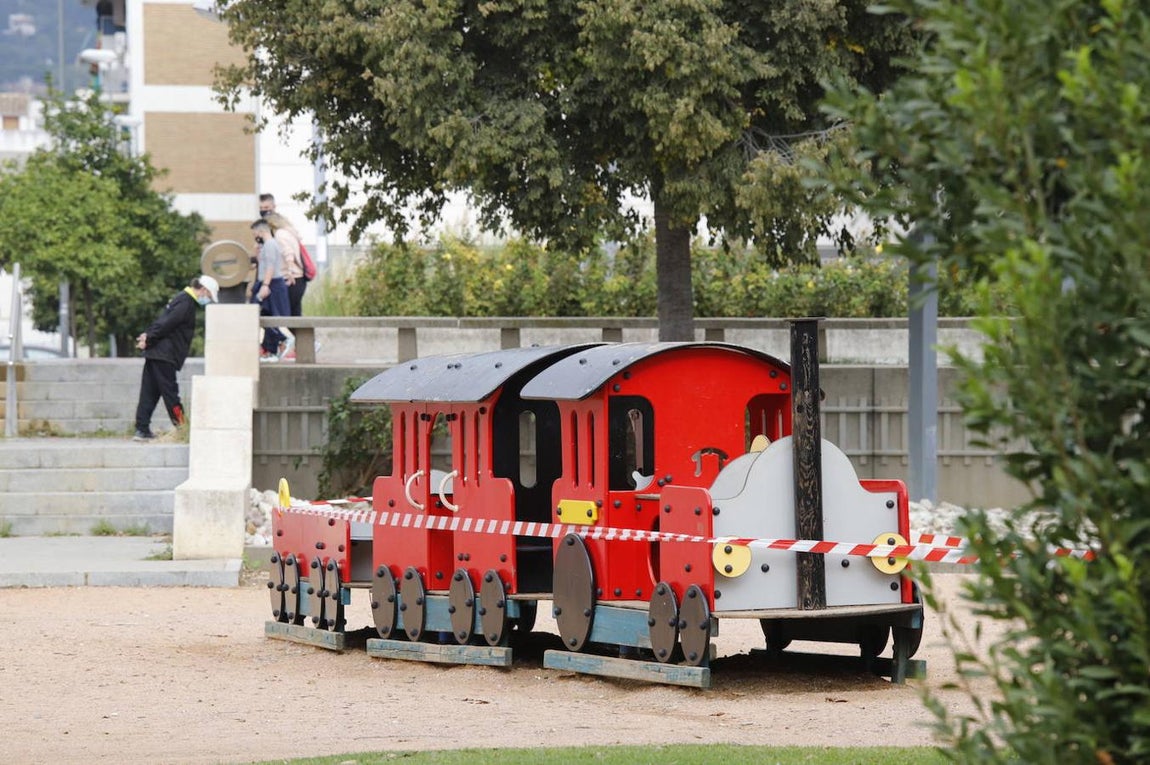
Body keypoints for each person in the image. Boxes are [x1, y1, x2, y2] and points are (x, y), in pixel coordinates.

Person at [132, 275, 219, 441]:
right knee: (171, 393)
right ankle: (182, 427)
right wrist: (149, 338)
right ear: (203, 290)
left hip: (157, 353)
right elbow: (167, 324)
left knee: (149, 392)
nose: (207, 299)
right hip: (165, 355)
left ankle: (141, 429)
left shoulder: (181, 299)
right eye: (208, 296)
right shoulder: (186, 302)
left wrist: (148, 336)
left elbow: (162, 321)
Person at [250, 218, 292, 361]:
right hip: (268, 282)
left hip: (271, 284)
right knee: (265, 316)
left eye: (255, 233)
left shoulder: (270, 245)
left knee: (270, 316)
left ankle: (283, 340)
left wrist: (265, 285)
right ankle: (270, 349)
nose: (254, 236)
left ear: (260, 231)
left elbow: (271, 267)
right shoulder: (267, 245)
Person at [265, 212, 307, 317]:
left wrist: (289, 271)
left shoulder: (280, 235)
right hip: (299, 278)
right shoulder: (289, 233)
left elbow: (288, 253)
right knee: (295, 314)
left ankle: (287, 334)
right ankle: (297, 334)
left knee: (285, 314)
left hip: (291, 278)